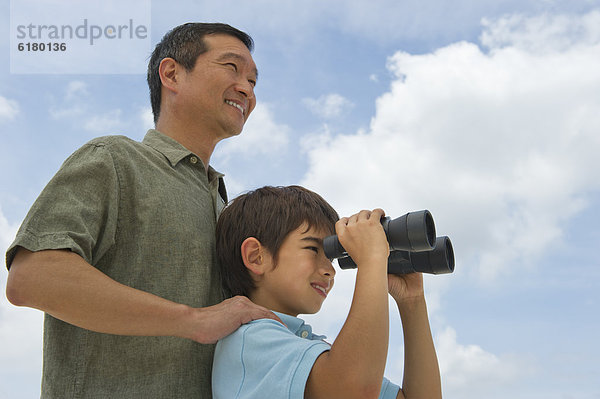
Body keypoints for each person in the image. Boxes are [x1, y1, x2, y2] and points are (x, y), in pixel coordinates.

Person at [4, 22, 280, 398]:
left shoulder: (225, 206)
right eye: (231, 68)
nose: (246, 88)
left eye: (253, 80)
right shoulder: (115, 160)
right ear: (171, 74)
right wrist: (194, 321)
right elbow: (33, 277)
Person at [212, 185, 442, 399]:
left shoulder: (307, 348)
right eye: (312, 248)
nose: (330, 270)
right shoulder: (248, 340)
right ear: (256, 256)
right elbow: (356, 390)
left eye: (331, 256)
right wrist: (372, 259)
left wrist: (412, 302)